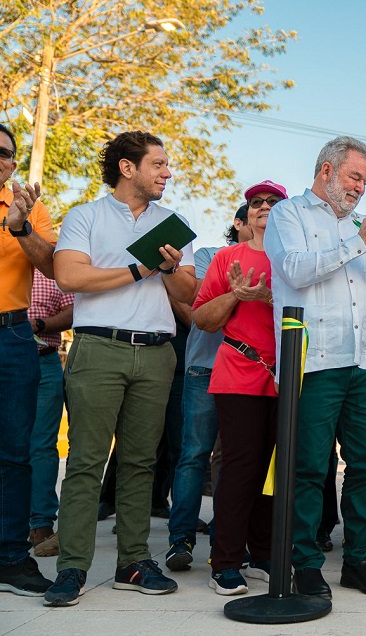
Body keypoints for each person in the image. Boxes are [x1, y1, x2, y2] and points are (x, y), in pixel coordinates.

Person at [47, 131, 197, 607]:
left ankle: (133, 562)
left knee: (140, 464)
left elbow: (189, 296)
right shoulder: (84, 216)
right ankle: (71, 568)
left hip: (157, 353)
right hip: (98, 349)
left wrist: (171, 270)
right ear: (128, 168)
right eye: (158, 164)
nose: (166, 173)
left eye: (167, 166)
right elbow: (70, 275)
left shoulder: (174, 223)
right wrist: (138, 270)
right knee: (87, 462)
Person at [263, 136, 366, 600]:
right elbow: (297, 270)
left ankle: (358, 559)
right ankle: (304, 562)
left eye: (365, 180)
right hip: (313, 360)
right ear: (326, 171)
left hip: (363, 361)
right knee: (308, 467)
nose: (361, 188)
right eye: (354, 177)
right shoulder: (289, 214)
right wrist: (360, 238)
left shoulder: (361, 228)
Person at [193, 181, 287, 595]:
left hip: (289, 375)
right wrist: (235, 294)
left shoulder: (296, 261)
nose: (264, 206)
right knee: (240, 468)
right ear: (247, 214)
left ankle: (263, 553)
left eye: (273, 202)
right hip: (239, 371)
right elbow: (203, 320)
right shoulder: (228, 258)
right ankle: (226, 561)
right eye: (256, 202)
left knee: (275, 470)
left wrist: (268, 296)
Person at [165, 205, 251, 572]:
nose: (265, 215)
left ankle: (225, 538)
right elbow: (199, 300)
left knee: (233, 461)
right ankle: (180, 539)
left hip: (247, 374)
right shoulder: (207, 255)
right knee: (193, 455)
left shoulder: (276, 260)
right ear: (238, 223)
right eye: (256, 211)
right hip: (204, 366)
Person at [0, 122, 56, 598]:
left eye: (6, 153)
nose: (0, 158)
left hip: (13, 336)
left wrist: (20, 225)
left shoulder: (28, 208)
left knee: (14, 453)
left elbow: (51, 266)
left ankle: (11, 557)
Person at [28, 269, 75, 558]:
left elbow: (72, 312)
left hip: (44, 363)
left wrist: (39, 323)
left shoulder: (55, 267)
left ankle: (41, 523)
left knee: (43, 445)